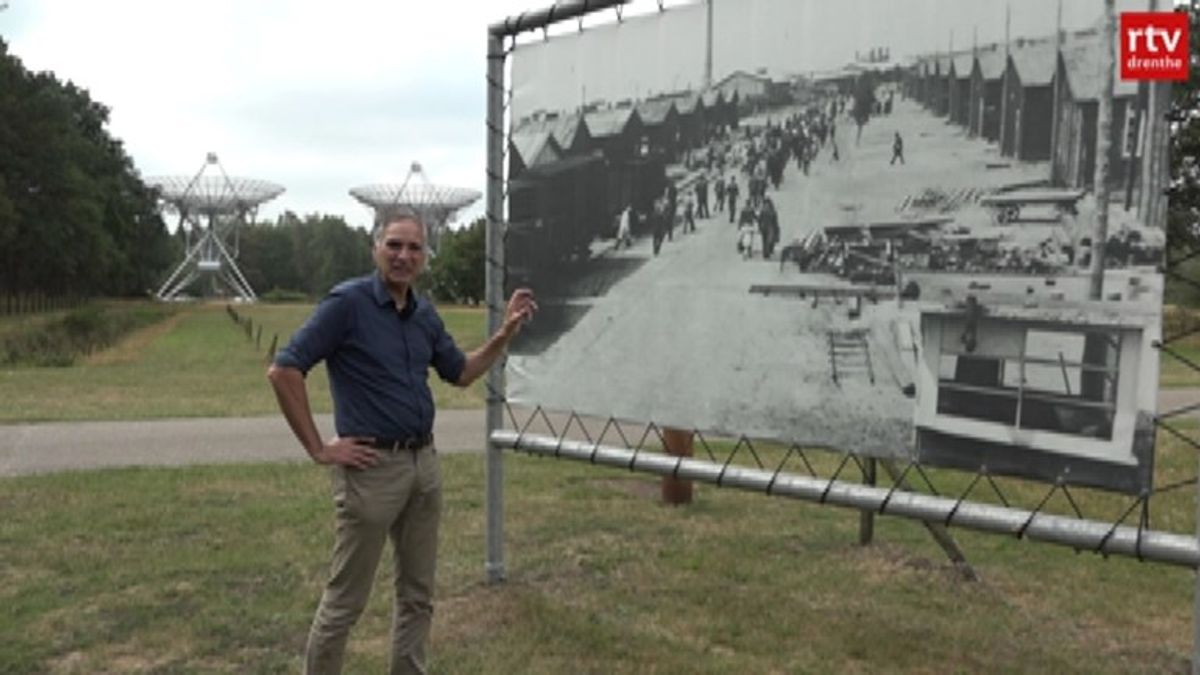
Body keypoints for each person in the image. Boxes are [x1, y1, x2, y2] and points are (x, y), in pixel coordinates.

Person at [267, 211, 537, 675]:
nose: (403, 256)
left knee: (418, 596)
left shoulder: (423, 314)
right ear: (375, 248)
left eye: (414, 248)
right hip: (372, 470)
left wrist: (505, 332)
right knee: (346, 601)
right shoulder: (346, 305)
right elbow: (285, 370)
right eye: (394, 245)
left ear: (425, 257)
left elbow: (461, 372)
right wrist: (319, 448)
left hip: (423, 467)